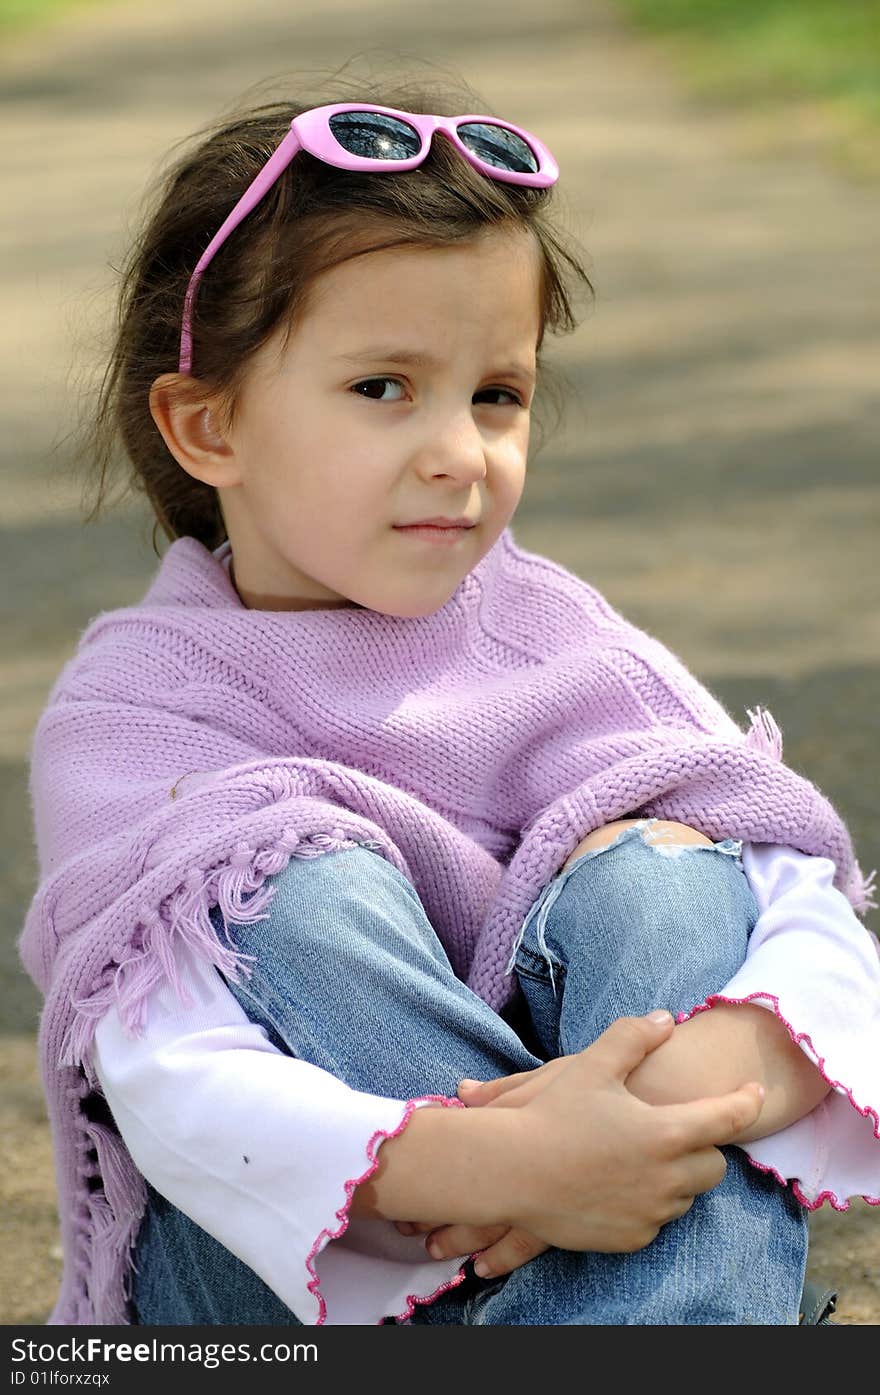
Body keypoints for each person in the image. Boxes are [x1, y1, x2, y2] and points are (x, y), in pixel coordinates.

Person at [19, 66, 880, 1329]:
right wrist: (507, 1163)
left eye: (497, 394)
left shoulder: (569, 651)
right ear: (210, 429)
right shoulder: (139, 718)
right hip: (299, 1274)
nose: (457, 452)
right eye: (382, 389)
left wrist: (671, 1105)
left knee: (670, 874)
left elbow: (810, 927)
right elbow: (181, 1087)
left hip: (632, 1186)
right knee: (288, 886)